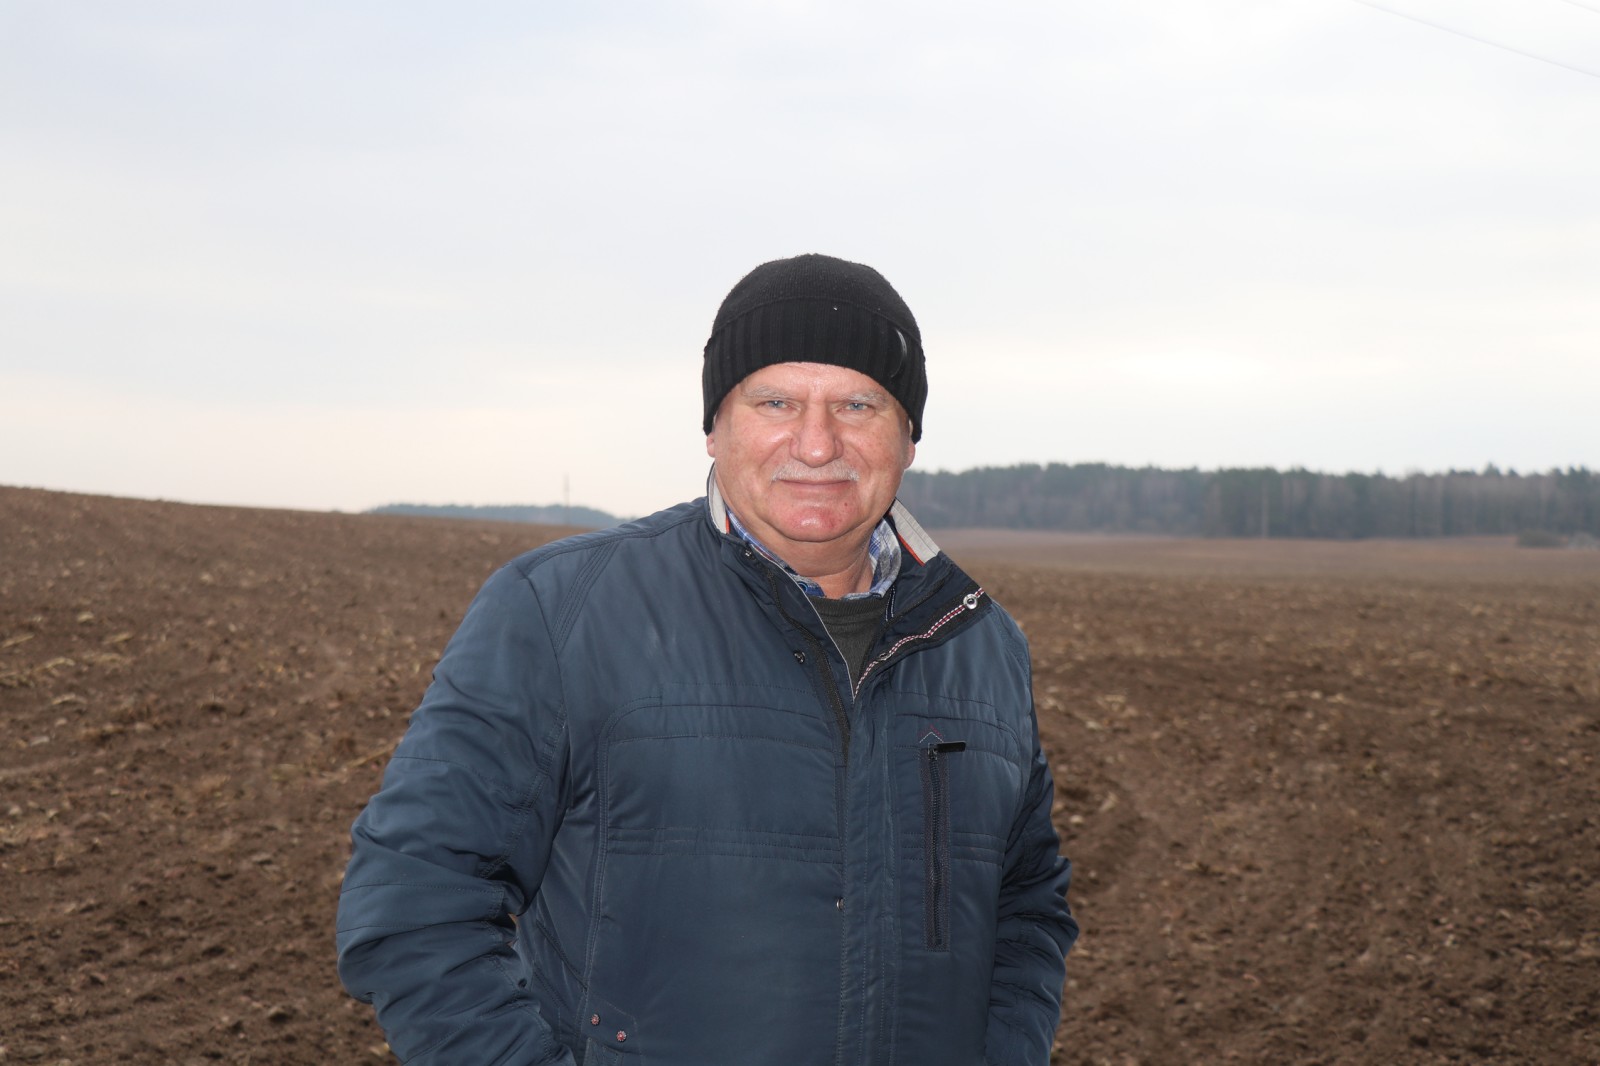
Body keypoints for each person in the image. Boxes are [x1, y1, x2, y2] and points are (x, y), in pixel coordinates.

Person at [336, 253, 1079, 1065]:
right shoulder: (562, 612)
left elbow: (1025, 906)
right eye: (776, 402)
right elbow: (414, 899)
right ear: (714, 427)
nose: (817, 443)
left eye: (857, 405)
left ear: (907, 437)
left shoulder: (979, 642)